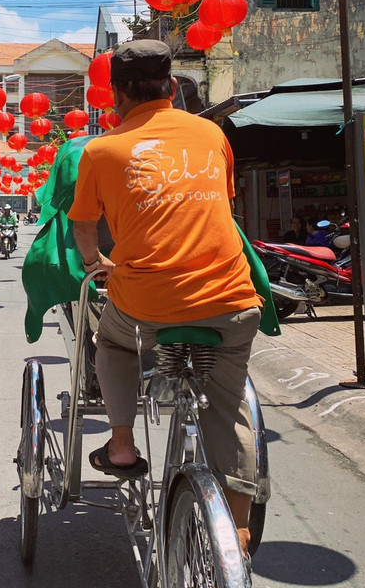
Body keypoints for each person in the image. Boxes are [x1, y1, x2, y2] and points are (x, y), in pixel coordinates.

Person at [67, 38, 263, 559]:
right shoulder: (211, 133)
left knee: (110, 344)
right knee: (230, 406)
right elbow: (220, 201)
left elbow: (83, 225)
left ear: (114, 97)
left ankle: (124, 444)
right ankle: (240, 528)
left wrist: (97, 266)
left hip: (146, 304)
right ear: (173, 88)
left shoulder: (101, 148)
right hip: (233, 300)